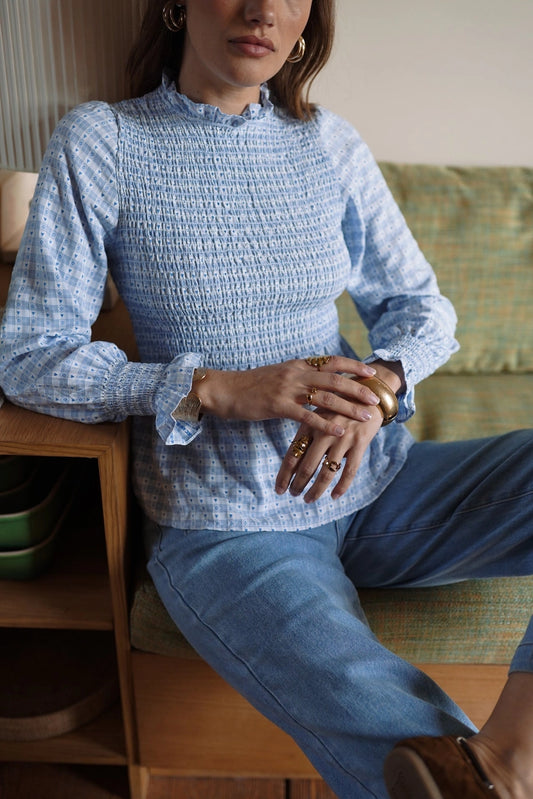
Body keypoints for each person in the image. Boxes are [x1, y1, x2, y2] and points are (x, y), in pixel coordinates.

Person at [0, 1, 531, 797]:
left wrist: (380, 389)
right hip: (226, 529)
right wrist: (210, 388)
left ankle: (511, 758)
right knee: (400, 742)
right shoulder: (103, 140)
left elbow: (422, 310)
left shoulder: (328, 143)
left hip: (379, 489)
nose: (262, 10)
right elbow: (31, 356)